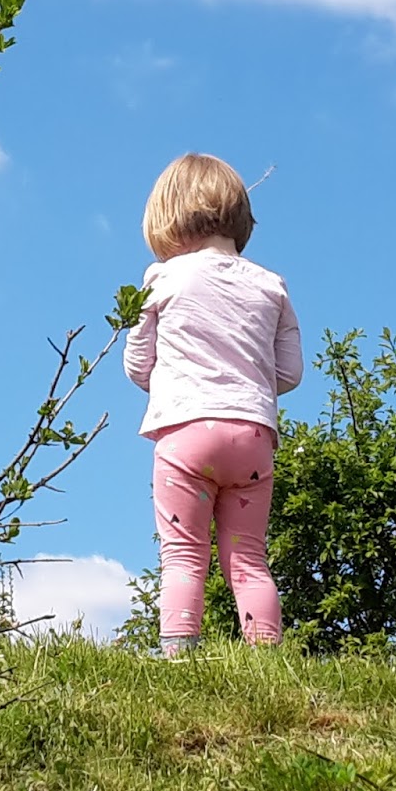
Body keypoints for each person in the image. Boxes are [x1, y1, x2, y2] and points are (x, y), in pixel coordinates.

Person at [123, 153, 302, 656]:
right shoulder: (272, 286)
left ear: (168, 217)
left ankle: (179, 655)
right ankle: (265, 657)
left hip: (186, 434)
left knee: (183, 556)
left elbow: (138, 366)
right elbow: (288, 373)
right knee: (249, 558)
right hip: (253, 439)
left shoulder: (163, 279)